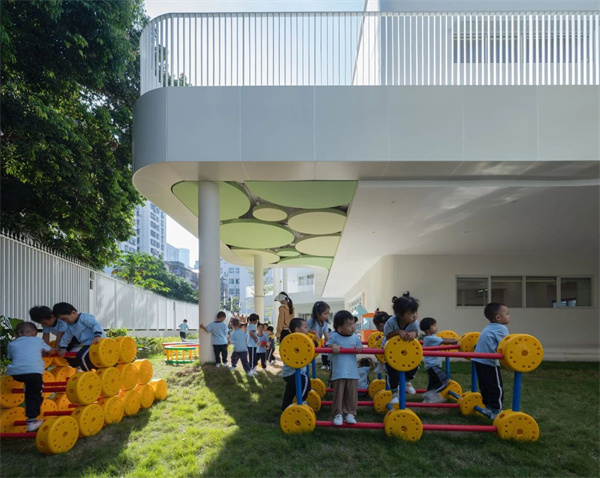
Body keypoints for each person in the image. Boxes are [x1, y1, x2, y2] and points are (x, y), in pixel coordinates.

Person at [6, 322, 52, 432]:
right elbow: (50, 351)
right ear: (33, 333)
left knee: (30, 386)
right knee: (34, 395)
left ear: (17, 334)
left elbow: (10, 357)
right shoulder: (38, 341)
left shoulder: (12, 344)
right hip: (33, 373)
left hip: (16, 373)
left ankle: (28, 386)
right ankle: (31, 421)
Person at [472, 302, 511, 420]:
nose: (509, 316)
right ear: (498, 317)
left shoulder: (488, 327)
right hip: (489, 361)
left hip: (478, 360)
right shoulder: (501, 328)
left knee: (484, 384)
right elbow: (506, 345)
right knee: (495, 386)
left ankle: (488, 406)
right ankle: (496, 410)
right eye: (507, 313)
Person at [326, 310, 363, 425]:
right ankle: (338, 414)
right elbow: (327, 345)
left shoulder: (355, 338)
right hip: (339, 372)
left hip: (352, 372)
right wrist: (333, 345)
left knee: (352, 394)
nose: (353, 327)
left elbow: (360, 346)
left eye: (353, 324)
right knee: (338, 394)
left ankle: (350, 413)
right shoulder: (334, 336)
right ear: (340, 328)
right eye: (349, 325)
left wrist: (359, 348)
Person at [383, 292, 420, 404]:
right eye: (411, 313)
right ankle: (395, 393)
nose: (415, 316)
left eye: (415, 312)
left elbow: (416, 333)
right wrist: (398, 332)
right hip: (391, 351)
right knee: (392, 372)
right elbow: (387, 335)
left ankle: (407, 380)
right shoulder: (391, 322)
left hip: (407, 350)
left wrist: (413, 334)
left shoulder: (414, 323)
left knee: (415, 363)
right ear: (400, 315)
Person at [53, 302, 106, 371]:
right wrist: (62, 347)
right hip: (87, 344)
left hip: (97, 342)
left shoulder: (85, 317)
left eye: (65, 319)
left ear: (73, 313)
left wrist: (97, 335)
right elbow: (66, 337)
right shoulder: (70, 326)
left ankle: (87, 373)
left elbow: (95, 324)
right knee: (78, 356)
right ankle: (90, 369)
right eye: (62, 320)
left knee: (81, 356)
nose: (65, 321)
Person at [420, 317, 458, 403]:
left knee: (433, 384)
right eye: (434, 326)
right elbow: (444, 341)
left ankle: (427, 400)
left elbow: (442, 339)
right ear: (427, 330)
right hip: (433, 365)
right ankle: (431, 394)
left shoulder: (430, 337)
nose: (436, 327)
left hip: (431, 365)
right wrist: (457, 341)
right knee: (444, 382)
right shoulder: (430, 338)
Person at [281, 318, 310, 410]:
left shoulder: (299, 340)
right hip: (292, 373)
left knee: (291, 390)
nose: (307, 330)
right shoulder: (294, 341)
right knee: (305, 381)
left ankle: (285, 406)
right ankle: (300, 401)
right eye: (305, 328)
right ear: (297, 329)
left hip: (287, 373)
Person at [307, 301, 331, 370]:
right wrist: (314, 332)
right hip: (308, 342)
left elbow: (326, 334)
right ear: (318, 314)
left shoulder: (325, 323)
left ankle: (327, 363)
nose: (327, 315)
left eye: (328, 313)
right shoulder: (312, 321)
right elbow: (305, 330)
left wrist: (330, 343)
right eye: (325, 313)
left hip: (316, 342)